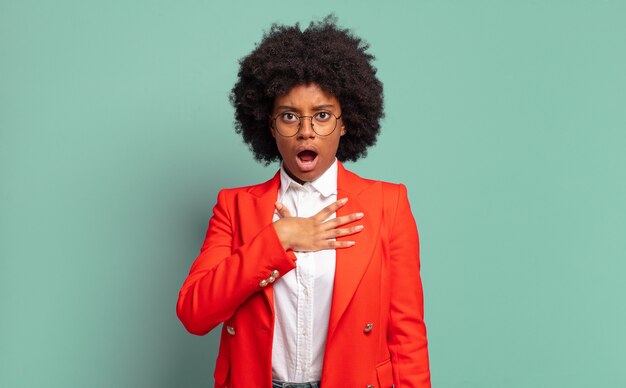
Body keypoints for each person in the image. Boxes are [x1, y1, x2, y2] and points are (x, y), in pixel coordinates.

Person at [177, 16, 430, 388]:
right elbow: (195, 313)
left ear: (346, 123)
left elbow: (407, 335)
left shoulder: (387, 204)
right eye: (290, 116)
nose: (306, 130)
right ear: (269, 124)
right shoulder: (234, 208)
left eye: (323, 115)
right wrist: (280, 239)